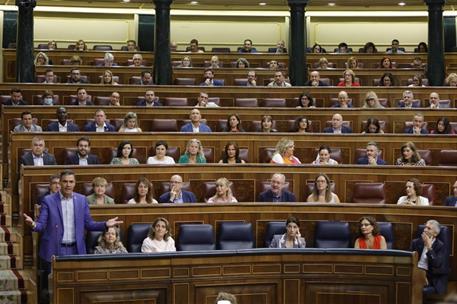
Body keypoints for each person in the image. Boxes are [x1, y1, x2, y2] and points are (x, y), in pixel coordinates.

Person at [23, 170, 122, 303]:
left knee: (76, 287)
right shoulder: (48, 200)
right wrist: (33, 224)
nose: (68, 185)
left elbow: (89, 224)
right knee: (53, 289)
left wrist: (105, 224)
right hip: (54, 250)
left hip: (76, 249)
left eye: (71, 182)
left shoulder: (81, 200)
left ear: (75, 184)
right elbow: (41, 225)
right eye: (65, 181)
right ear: (60, 183)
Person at [410, 219, 449, 295]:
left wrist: (429, 248)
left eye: (429, 228)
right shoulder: (415, 242)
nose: (425, 230)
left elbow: (436, 264)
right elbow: (409, 259)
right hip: (415, 271)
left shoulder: (440, 246)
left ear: (435, 234)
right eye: (425, 227)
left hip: (430, 275)